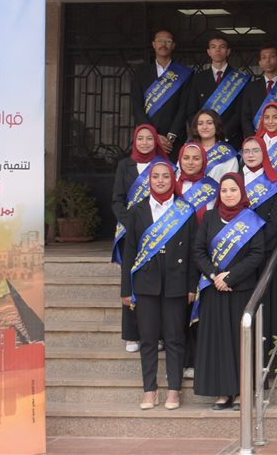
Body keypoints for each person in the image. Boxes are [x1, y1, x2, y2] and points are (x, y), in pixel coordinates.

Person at [120, 160, 196, 411]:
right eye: (155, 176)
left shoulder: (185, 210)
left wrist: (192, 286)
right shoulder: (137, 211)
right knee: (148, 339)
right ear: (149, 181)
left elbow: (194, 251)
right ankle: (149, 391)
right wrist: (126, 289)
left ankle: (173, 390)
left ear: (172, 179)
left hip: (177, 282)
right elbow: (130, 252)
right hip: (145, 284)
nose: (161, 180)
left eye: (165, 176)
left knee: (175, 338)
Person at [190, 172, 267, 411]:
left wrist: (231, 277)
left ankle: (242, 391)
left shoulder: (251, 219)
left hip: (240, 289)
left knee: (239, 341)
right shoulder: (210, 217)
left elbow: (257, 254)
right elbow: (198, 251)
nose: (228, 194)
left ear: (241, 192)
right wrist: (215, 275)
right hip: (214, 289)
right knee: (218, 342)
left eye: (233, 189)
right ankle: (223, 391)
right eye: (224, 190)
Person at [238, 136, 277, 343]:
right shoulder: (234, 180)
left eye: (255, 150)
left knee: (268, 301)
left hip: (267, 250)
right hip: (239, 253)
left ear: (264, 153)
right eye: (246, 151)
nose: (251, 155)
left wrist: (257, 245)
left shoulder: (276, 183)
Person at [111, 124, 162, 353]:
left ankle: (157, 334)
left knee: (155, 283)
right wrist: (132, 224)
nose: (144, 142)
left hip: (157, 231)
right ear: (134, 141)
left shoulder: (163, 165)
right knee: (131, 280)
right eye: (140, 138)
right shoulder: (125, 165)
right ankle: (132, 335)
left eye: (149, 138)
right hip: (130, 231)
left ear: (156, 141)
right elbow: (117, 200)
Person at [184, 33, 250, 147]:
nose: (217, 50)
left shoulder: (239, 78)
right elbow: (191, 111)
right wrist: (200, 133)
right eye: (213, 47)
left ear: (228, 51)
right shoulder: (198, 79)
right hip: (203, 139)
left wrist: (223, 134)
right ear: (209, 52)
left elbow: (240, 112)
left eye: (222, 47)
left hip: (231, 139)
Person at [132, 29, 192, 154]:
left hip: (174, 141)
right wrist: (152, 135)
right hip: (147, 139)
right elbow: (137, 106)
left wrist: (171, 136)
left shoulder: (184, 73)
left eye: (168, 41)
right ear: (154, 44)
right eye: (159, 40)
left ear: (173, 45)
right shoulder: (141, 73)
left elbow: (184, 106)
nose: (163, 44)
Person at [241, 43, 277, 143]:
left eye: (272, 56)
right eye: (264, 57)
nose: (268, 60)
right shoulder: (250, 87)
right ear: (260, 63)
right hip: (257, 140)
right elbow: (245, 117)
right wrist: (253, 139)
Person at [189, 109, 239, 182]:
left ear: (216, 125)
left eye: (209, 123)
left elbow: (232, 182)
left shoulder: (227, 153)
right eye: (200, 124)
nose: (204, 127)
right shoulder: (188, 149)